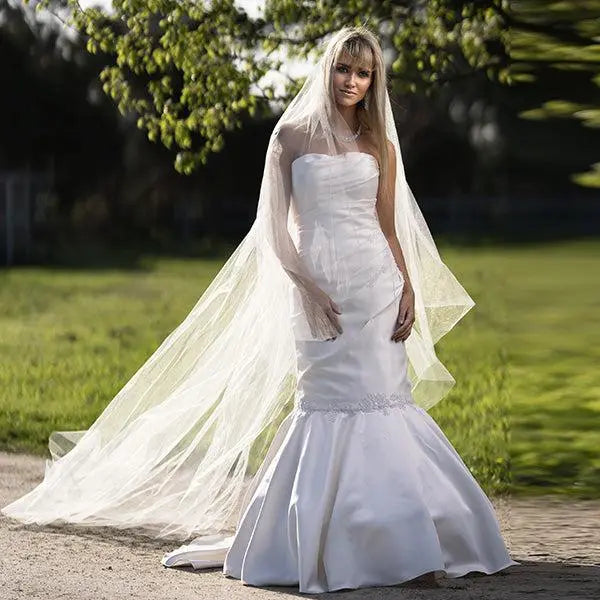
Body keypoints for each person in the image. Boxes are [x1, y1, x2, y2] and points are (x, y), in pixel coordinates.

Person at [2, 26, 519, 594]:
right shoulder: (291, 137)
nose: (352, 81)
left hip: (377, 286)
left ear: (375, 80)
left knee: (385, 403)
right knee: (325, 403)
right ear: (327, 70)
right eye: (344, 69)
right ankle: (322, 543)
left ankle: (411, 546)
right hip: (314, 286)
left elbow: (389, 224)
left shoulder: (380, 144)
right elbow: (273, 231)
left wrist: (409, 288)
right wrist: (308, 289)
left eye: (364, 72)